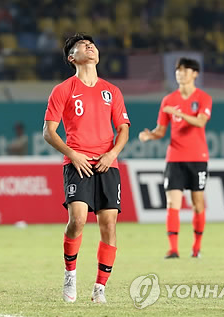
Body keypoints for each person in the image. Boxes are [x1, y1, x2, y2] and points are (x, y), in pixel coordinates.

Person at [43, 34, 130, 303]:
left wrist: (112, 153)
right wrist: (72, 154)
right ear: (72, 58)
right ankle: (70, 275)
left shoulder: (111, 91)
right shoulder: (63, 90)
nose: (90, 47)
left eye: (92, 44)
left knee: (109, 225)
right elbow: (49, 132)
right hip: (77, 164)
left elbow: (124, 129)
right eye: (82, 46)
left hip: (107, 164)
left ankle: (100, 289)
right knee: (77, 220)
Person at [138, 57, 212, 259]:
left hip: (198, 157)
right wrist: (150, 135)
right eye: (178, 70)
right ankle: (173, 249)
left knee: (198, 203)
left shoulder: (203, 98)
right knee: (173, 203)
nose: (181, 73)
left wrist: (177, 113)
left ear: (195, 73)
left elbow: (200, 122)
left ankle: (196, 247)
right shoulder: (168, 100)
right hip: (175, 157)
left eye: (185, 70)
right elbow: (162, 131)